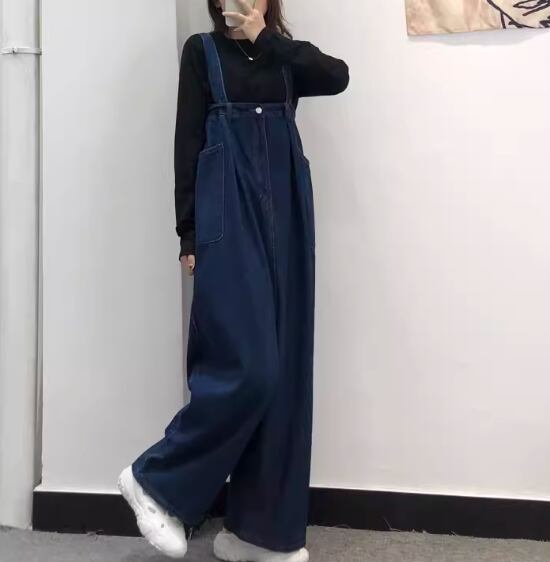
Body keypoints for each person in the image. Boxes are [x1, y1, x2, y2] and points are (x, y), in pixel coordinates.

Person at [117, 0, 349, 560]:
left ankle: (259, 534)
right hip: (227, 210)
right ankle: (155, 480)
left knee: (285, 371)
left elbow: (337, 76)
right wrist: (189, 234)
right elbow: (187, 143)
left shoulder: (284, 55)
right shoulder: (203, 53)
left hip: (287, 209)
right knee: (249, 368)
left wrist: (267, 38)